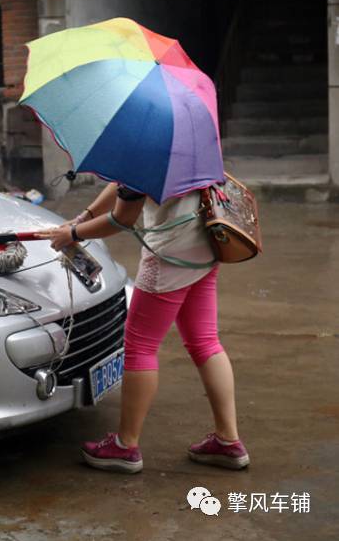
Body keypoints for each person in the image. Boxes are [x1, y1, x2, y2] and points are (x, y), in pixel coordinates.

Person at [43, 182, 249, 474]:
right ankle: (228, 441)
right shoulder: (197, 136)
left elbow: (121, 219)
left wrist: (73, 233)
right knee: (205, 341)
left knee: (140, 346)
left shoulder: (145, 145)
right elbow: (121, 182)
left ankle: (125, 446)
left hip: (170, 256)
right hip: (206, 242)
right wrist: (84, 216)